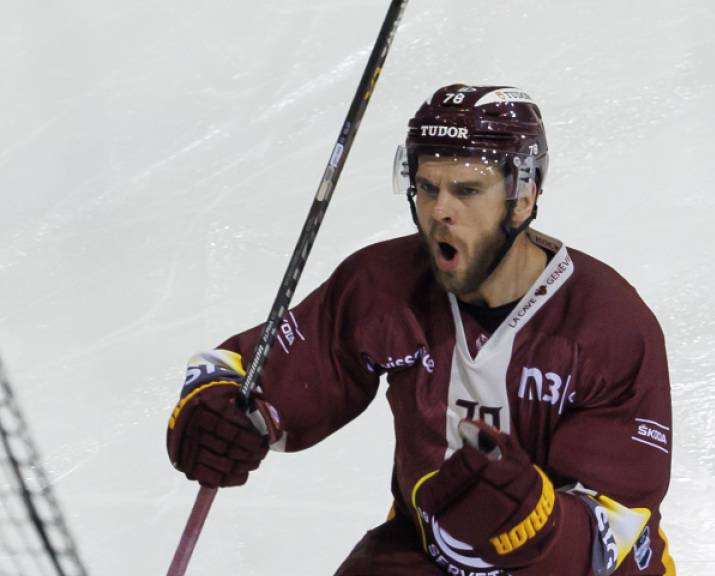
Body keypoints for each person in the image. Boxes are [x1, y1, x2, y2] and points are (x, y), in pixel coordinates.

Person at [166, 84, 676, 575]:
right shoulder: (385, 287)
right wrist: (220, 407)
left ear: (522, 197)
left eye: (467, 190)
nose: (439, 212)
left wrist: (532, 524)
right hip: (429, 553)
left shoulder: (607, 326)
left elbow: (618, 518)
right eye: (428, 188)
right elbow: (260, 373)